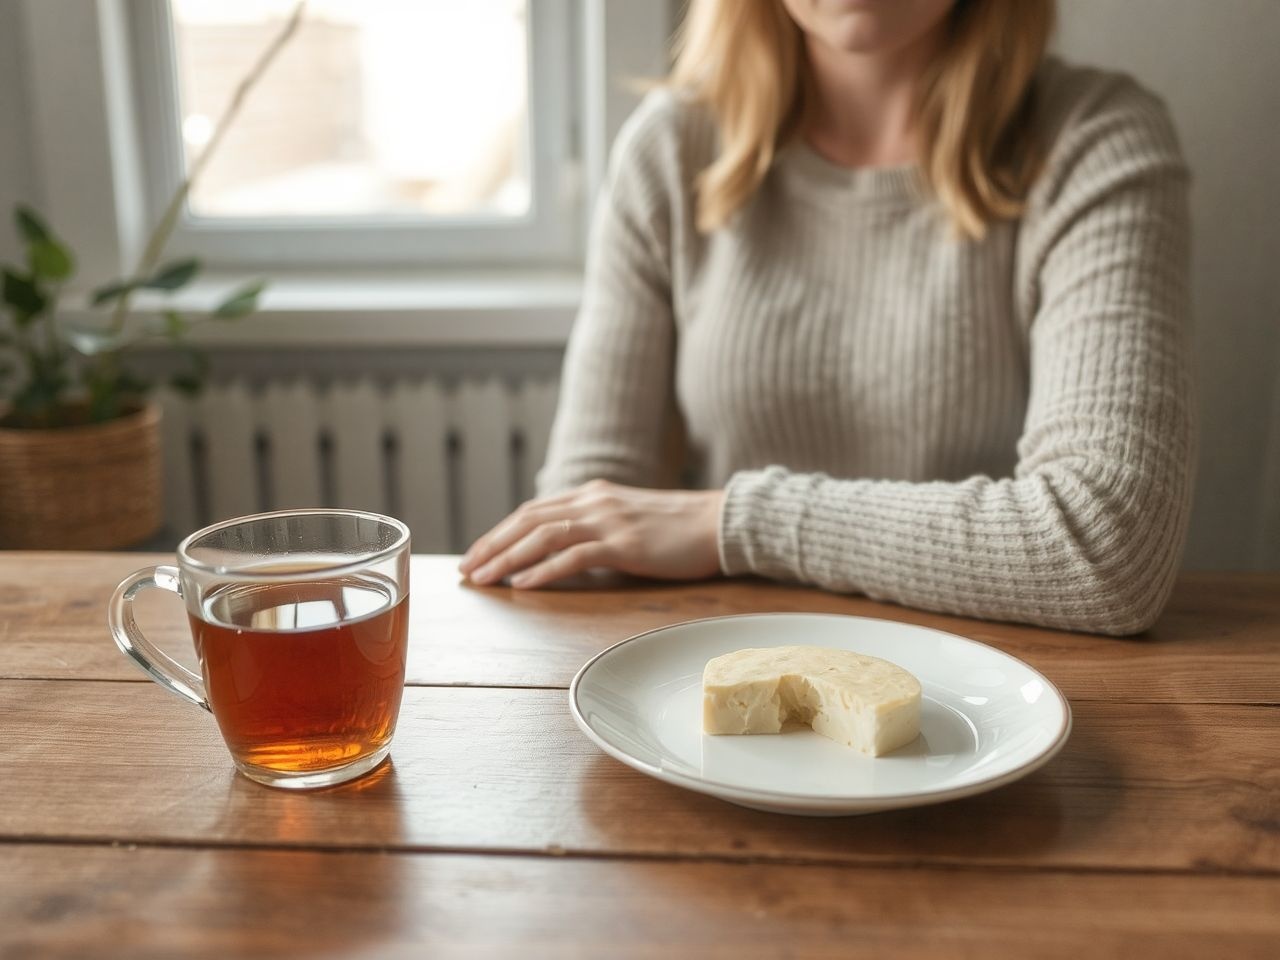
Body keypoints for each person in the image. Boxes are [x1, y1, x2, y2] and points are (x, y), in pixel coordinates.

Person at [459, 0, 1195, 636]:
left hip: (995, 699)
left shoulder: (1095, 140)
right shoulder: (669, 149)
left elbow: (1109, 549)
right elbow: (581, 524)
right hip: (723, 688)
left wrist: (732, 522)